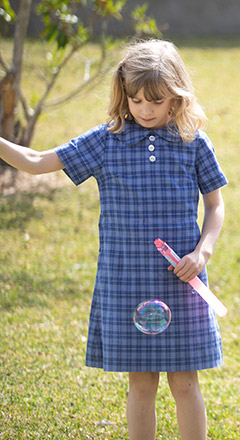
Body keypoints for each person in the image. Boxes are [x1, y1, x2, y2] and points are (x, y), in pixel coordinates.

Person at [0, 40, 227, 440]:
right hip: (127, 282)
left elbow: (215, 206)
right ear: (124, 95)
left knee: (186, 384)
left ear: (177, 96)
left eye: (156, 100)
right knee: (141, 385)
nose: (145, 109)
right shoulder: (107, 140)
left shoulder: (194, 143)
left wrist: (202, 251)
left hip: (181, 281)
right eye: (136, 99)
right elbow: (36, 163)